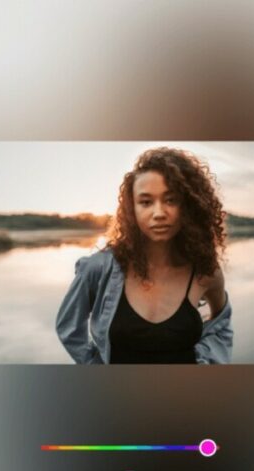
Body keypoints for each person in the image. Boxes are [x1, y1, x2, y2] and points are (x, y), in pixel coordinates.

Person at [56, 148, 231, 364]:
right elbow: (69, 328)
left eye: (171, 200)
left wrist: (207, 361)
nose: (159, 213)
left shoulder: (205, 271)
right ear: (132, 209)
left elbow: (221, 325)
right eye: (146, 202)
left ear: (188, 206)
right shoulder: (99, 268)